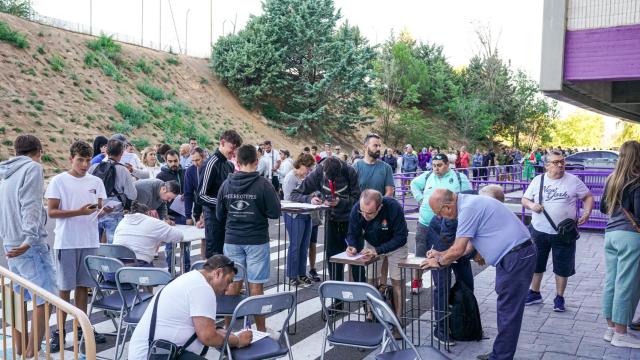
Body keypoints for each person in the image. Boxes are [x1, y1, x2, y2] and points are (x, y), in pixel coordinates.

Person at [421, 189, 536, 360]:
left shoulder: (468, 209)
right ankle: (500, 353)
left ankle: (501, 357)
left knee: (508, 311)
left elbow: (459, 249)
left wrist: (438, 262)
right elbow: (468, 248)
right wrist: (441, 254)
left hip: (516, 256)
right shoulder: (469, 203)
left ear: (447, 207)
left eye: (440, 213)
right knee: (506, 309)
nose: (442, 218)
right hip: (514, 255)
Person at [46, 141, 109, 350]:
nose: (84, 164)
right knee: (64, 288)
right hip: (67, 241)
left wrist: (105, 211)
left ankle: (82, 328)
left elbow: (100, 207)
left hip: (89, 240)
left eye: (87, 160)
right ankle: (60, 331)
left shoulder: (96, 181)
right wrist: (79, 212)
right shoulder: (58, 181)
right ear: (71, 159)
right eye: (80, 160)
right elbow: (52, 212)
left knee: (84, 287)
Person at [128, 255, 252, 359]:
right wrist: (238, 341)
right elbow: (207, 337)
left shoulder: (191, 278)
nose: (227, 289)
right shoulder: (202, 288)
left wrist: (222, 333)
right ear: (218, 273)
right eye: (228, 281)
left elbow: (203, 328)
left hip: (155, 352)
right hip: (154, 355)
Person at [0, 135, 56, 357]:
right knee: (46, 297)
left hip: (9, 241)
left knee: (18, 297)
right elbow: (30, 205)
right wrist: (30, 239)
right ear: (39, 150)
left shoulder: (5, 173)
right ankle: (32, 353)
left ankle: (21, 350)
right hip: (27, 244)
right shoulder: (32, 168)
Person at [217, 145, 281, 332]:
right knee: (256, 287)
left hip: (232, 238)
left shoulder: (226, 184)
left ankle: (228, 328)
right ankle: (260, 330)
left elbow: (220, 215)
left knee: (232, 283)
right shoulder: (263, 185)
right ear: (256, 162)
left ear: (236, 162)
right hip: (256, 239)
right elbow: (275, 212)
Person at [522, 150, 593, 312]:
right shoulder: (538, 180)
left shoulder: (573, 181)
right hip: (539, 230)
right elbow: (525, 199)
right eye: (556, 162)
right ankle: (535, 292)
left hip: (564, 233)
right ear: (547, 166)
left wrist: (587, 213)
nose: (561, 165)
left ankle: (559, 297)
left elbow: (588, 197)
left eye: (562, 161)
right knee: (537, 264)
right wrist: (532, 205)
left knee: (562, 266)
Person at [291, 156, 361, 282]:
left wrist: (341, 202)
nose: (331, 182)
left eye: (334, 180)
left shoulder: (349, 171)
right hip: (332, 221)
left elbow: (358, 200)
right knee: (332, 261)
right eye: (328, 179)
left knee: (356, 261)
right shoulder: (318, 171)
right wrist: (310, 199)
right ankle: (337, 299)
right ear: (323, 172)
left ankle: (362, 297)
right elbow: (295, 194)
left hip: (351, 222)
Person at [410, 153, 471, 294]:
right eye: (433, 166)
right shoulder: (427, 176)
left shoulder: (458, 178)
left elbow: (468, 196)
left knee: (454, 255)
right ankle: (416, 281)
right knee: (420, 253)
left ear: (447, 165)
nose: (436, 169)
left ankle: (461, 288)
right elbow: (413, 184)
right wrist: (420, 199)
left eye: (439, 165)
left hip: (449, 225)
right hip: (424, 223)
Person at [599, 141, 640, 348]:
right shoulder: (637, 181)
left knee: (612, 281)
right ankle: (622, 334)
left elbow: (603, 208)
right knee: (627, 284)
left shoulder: (611, 178)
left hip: (611, 234)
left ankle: (611, 329)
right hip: (631, 237)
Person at [346, 190, 408, 323]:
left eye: (370, 213)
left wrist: (379, 250)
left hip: (396, 245)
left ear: (380, 207)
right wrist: (352, 246)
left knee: (397, 280)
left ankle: (398, 318)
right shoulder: (357, 208)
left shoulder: (393, 207)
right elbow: (352, 232)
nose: (365, 215)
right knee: (371, 279)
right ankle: (371, 313)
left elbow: (401, 237)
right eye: (362, 211)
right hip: (372, 244)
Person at [197, 130, 243, 257]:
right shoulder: (211, 163)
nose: (233, 153)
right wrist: (223, 203)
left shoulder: (229, 165)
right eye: (232, 148)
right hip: (213, 219)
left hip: (227, 219)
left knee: (226, 258)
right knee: (214, 259)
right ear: (222, 142)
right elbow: (200, 196)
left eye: (236, 149)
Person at [89, 139, 137, 244]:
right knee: (113, 249)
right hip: (115, 213)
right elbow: (132, 195)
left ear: (107, 151)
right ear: (121, 153)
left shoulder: (93, 168)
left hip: (95, 212)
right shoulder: (123, 170)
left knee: (93, 246)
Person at [282, 153, 316, 285]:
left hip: (306, 213)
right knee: (295, 245)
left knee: (304, 246)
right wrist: (307, 198)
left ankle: (302, 273)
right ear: (301, 165)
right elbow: (289, 197)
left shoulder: (305, 177)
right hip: (294, 214)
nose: (309, 171)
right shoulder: (291, 177)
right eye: (308, 168)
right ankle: (291, 275)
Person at [113, 202, 183, 265]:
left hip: (117, 264)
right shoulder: (153, 222)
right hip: (140, 264)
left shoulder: (122, 222)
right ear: (148, 213)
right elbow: (179, 236)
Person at [156, 149, 189, 271]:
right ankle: (171, 271)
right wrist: (164, 216)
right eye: (170, 161)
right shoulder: (161, 176)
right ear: (165, 161)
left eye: (175, 161)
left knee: (186, 244)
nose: (173, 164)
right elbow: (158, 197)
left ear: (179, 159)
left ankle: (186, 270)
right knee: (170, 246)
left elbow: (191, 190)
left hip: (183, 212)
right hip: (169, 215)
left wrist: (187, 194)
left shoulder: (185, 173)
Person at [184, 147, 206, 226]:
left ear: (204, 157)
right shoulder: (190, 171)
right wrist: (188, 216)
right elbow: (188, 194)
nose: (195, 163)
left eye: (197, 160)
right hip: (198, 207)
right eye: (192, 161)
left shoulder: (211, 168)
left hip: (211, 207)